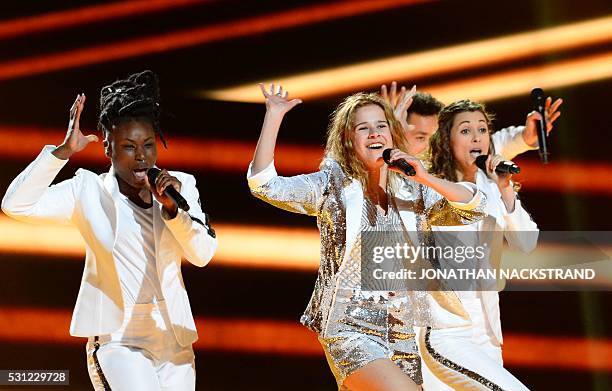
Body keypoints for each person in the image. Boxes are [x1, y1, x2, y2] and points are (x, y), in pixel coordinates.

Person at [247, 83, 487, 390]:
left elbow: (472, 208)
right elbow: (264, 184)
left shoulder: (411, 189)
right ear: (349, 140)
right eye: (364, 128)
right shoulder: (332, 185)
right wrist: (274, 115)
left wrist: (424, 176)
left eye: (381, 126)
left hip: (402, 332)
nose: (374, 134)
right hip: (351, 327)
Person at [1, 70, 217, 391]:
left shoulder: (179, 186)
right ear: (108, 147)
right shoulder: (87, 190)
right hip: (119, 337)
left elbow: (202, 254)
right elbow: (16, 204)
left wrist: (172, 210)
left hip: (173, 336)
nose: (141, 155)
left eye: (148, 144)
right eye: (129, 146)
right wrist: (62, 152)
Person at [420, 99, 545, 390]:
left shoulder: (493, 186)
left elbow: (527, 242)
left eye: (482, 129)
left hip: (487, 333)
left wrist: (506, 190)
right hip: (445, 329)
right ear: (445, 141)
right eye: (465, 131)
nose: (477, 137)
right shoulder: (430, 188)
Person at [380, 81, 562, 160]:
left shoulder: (451, 165)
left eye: (435, 138)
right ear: (398, 135)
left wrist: (525, 137)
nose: (430, 147)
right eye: (421, 138)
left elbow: (493, 146)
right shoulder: (383, 175)